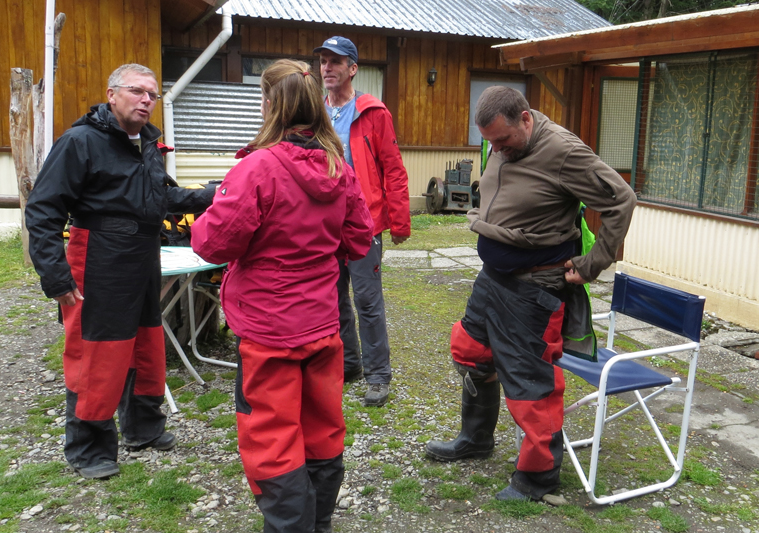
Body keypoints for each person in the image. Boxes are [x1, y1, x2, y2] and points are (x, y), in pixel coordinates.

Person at [425, 86, 637, 501]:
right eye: (490, 143)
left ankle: (538, 480)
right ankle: (476, 439)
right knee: (470, 350)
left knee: (531, 381)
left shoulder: (563, 151)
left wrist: (592, 263)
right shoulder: (505, 143)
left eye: (502, 141)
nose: (497, 149)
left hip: (534, 288)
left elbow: (621, 201)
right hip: (494, 277)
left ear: (525, 119)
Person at [191, 59, 373, 533]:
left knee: (272, 436)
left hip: (268, 331)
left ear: (270, 104)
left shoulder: (257, 168)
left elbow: (211, 243)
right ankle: (321, 520)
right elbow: (359, 240)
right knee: (322, 427)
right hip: (321, 323)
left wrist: (218, 203)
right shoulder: (340, 169)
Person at [25, 64, 216, 480]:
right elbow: (42, 211)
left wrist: (211, 196)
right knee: (98, 354)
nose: (147, 100)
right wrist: (55, 277)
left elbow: (163, 197)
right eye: (137, 91)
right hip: (98, 259)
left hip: (144, 256)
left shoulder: (147, 144)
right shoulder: (80, 142)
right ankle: (88, 448)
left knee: (146, 348)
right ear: (112, 94)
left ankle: (143, 430)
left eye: (153, 94)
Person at [314, 36, 411, 407]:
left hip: (364, 225)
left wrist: (399, 221)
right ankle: (350, 365)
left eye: (336, 62)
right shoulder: (317, 113)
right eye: (324, 61)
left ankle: (378, 376)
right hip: (325, 227)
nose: (328, 67)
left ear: (352, 69)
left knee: (368, 302)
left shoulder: (373, 112)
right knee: (334, 300)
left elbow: (394, 169)